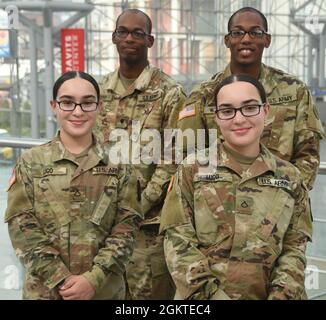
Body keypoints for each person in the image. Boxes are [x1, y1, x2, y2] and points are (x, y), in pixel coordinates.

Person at [160, 75, 312, 300]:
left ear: (265, 110)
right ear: (217, 117)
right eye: (227, 110)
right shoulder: (192, 170)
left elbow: (294, 249)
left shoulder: (290, 177)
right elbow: (178, 241)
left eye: (249, 108)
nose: (239, 119)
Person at [4, 71, 142, 300]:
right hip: (46, 292)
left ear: (99, 107)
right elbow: (22, 228)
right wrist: (62, 279)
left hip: (104, 291)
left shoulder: (120, 166)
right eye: (67, 102)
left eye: (87, 103)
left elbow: (127, 229)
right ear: (54, 106)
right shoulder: (31, 162)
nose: (78, 111)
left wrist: (93, 280)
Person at [177, 7, 324, 191]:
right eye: (238, 33)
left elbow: (308, 154)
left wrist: (288, 197)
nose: (246, 39)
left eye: (255, 32)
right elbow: (187, 155)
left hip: (280, 203)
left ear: (267, 40)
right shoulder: (203, 95)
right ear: (227, 40)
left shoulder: (295, 91)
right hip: (219, 208)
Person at [95, 9, 186, 299]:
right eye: (123, 32)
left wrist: (134, 207)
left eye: (138, 33)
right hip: (101, 227)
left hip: (147, 231)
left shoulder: (170, 93)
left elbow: (174, 159)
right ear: (114, 37)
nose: (129, 38)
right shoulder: (98, 92)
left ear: (150, 41)